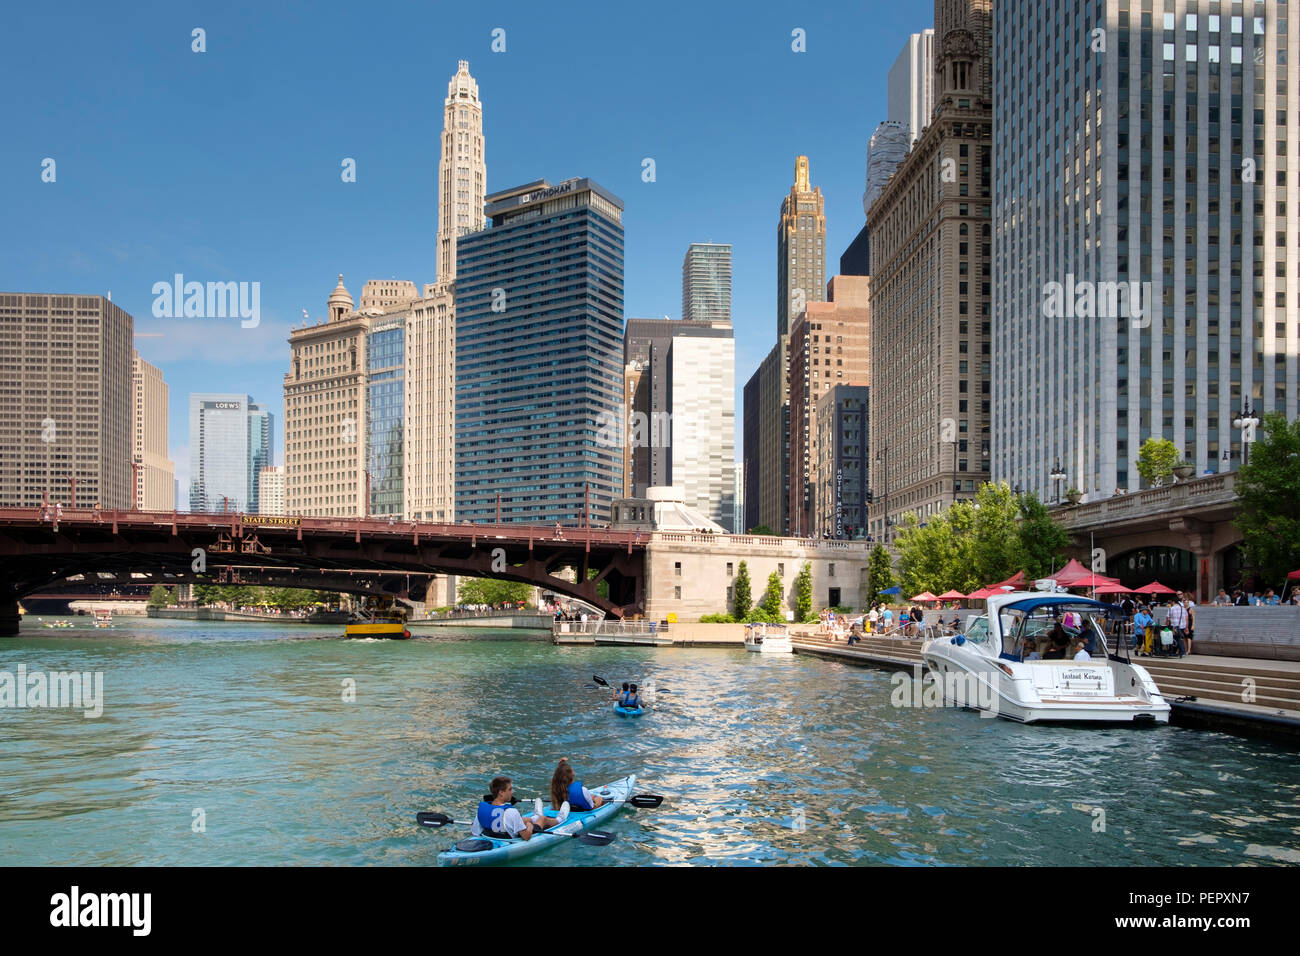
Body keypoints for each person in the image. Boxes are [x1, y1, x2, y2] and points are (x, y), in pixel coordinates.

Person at [472, 775, 567, 841]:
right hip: (512, 839)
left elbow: (475, 833)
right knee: (543, 819)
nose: (512, 792)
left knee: (520, 820)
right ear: (501, 792)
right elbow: (526, 837)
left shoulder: (482, 810)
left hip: (493, 836)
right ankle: (560, 818)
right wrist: (529, 826)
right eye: (510, 789)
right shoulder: (511, 811)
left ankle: (535, 816)